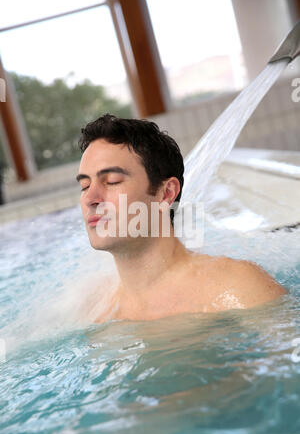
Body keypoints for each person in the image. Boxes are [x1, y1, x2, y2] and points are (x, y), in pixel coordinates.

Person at [76, 113, 287, 322]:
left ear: (166, 193)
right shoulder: (95, 309)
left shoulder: (236, 289)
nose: (90, 198)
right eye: (85, 186)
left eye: (112, 181)